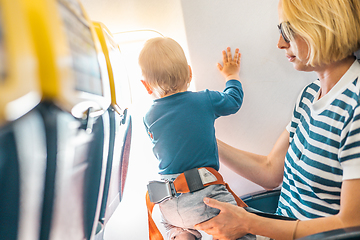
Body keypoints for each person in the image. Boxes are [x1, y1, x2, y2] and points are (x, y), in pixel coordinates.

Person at [194, 0, 360, 239]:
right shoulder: (309, 95)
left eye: (287, 31)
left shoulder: (355, 105)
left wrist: (249, 223)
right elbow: (271, 171)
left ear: (321, 27)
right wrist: (205, 140)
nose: (280, 43)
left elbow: (352, 224)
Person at [139, 37, 247, 240]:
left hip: (168, 203)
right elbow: (234, 101)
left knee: (180, 229)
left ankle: (182, 234)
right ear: (189, 72)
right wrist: (231, 75)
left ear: (146, 86)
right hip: (204, 195)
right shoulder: (204, 100)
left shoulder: (148, 117)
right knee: (240, 225)